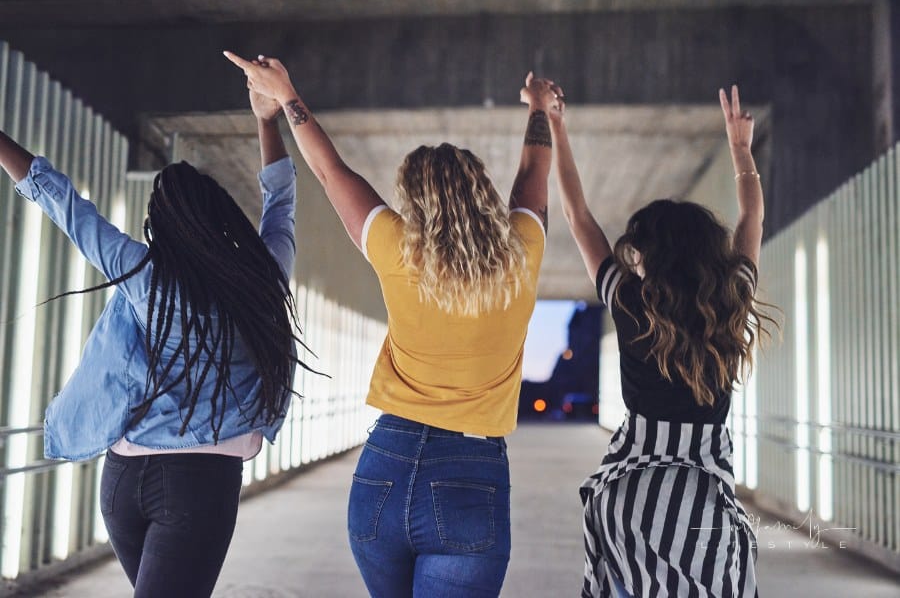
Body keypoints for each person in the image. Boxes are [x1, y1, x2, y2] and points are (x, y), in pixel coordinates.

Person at [224, 51, 559, 597]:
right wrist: (539, 107)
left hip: (384, 465)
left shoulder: (398, 249)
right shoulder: (521, 252)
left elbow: (331, 171)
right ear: (481, 194)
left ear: (414, 201)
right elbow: (533, 170)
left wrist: (288, 99)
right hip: (471, 473)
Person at [0, 82, 307, 597]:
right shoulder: (264, 277)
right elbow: (282, 200)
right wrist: (267, 120)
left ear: (158, 227)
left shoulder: (144, 274)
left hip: (122, 479)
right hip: (199, 486)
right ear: (219, 218)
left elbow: (62, 201)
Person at [553, 85, 774, 597]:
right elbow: (751, 220)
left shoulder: (634, 307)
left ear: (646, 255)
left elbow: (578, 216)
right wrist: (740, 149)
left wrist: (557, 128)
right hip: (703, 511)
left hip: (626, 504)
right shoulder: (728, 304)